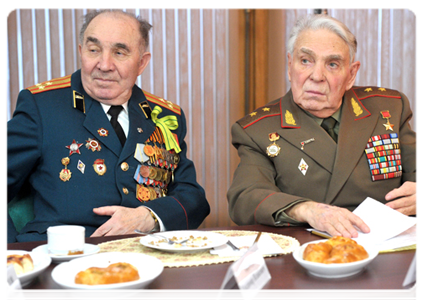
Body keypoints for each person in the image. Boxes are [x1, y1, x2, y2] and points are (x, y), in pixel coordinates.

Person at [5, 9, 210, 243]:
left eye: (119, 52)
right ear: (82, 52)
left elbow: (193, 198)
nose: (104, 64)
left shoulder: (164, 116)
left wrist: (149, 217)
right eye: (94, 50)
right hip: (64, 255)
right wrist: (13, 256)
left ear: (141, 63)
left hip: (146, 256)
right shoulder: (42, 106)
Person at [227, 14, 419, 238]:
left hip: (388, 248)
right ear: (290, 66)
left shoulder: (388, 109)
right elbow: (244, 198)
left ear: (351, 74)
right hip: (309, 251)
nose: (316, 76)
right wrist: (306, 209)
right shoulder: (257, 130)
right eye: (306, 61)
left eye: (332, 64)